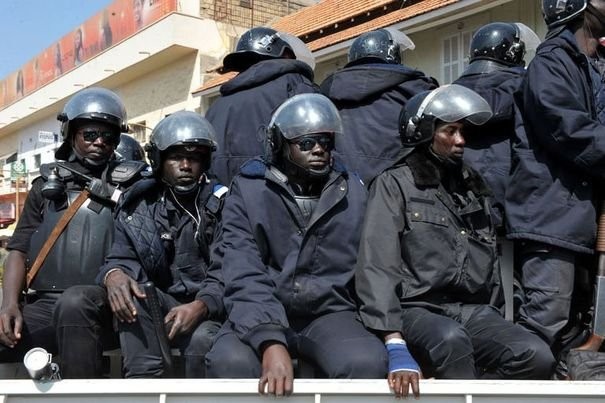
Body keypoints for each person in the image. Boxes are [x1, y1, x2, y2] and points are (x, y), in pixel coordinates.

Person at [355, 84, 555, 398]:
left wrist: (498, 313)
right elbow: (376, 263)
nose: (461, 140)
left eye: (462, 131)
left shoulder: (473, 187)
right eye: (450, 131)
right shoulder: (395, 184)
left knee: (535, 354)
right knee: (451, 340)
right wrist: (393, 339)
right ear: (422, 132)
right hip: (416, 307)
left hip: (472, 311)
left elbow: (489, 262)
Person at [205, 93, 387, 395]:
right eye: (306, 143)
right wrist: (270, 340)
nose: (318, 150)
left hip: (329, 312)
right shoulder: (249, 190)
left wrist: (393, 339)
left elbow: (372, 266)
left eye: (325, 143)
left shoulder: (353, 191)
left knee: (365, 362)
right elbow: (242, 269)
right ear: (279, 144)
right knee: (230, 362)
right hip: (259, 309)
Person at [0, 87, 146, 378]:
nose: (99, 142)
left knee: (75, 303)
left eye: (109, 136)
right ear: (71, 133)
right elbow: (19, 248)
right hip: (46, 302)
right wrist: (9, 305)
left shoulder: (132, 186)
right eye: (90, 134)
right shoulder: (45, 185)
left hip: (106, 304)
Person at [84, 110, 228, 378]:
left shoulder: (222, 206)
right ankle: (143, 386)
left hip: (208, 310)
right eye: (176, 157)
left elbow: (228, 269)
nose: (186, 165)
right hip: (157, 305)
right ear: (159, 161)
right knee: (133, 291)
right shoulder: (139, 204)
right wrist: (113, 275)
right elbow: (121, 257)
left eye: (195, 158)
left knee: (203, 342)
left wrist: (202, 305)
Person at [506, 0, 605, 366]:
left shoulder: (594, 65)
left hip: (582, 224)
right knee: (544, 331)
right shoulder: (552, 63)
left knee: (577, 337)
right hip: (553, 223)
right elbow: (569, 130)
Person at [320, 28, 438, 184]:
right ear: (394, 54)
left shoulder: (328, 91)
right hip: (397, 188)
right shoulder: (416, 89)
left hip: (343, 188)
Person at [206, 26, 319, 185]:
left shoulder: (216, 107)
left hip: (227, 205)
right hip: (284, 201)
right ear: (285, 54)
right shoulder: (296, 85)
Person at [453, 22, 539, 228]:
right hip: (518, 210)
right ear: (514, 53)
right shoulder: (530, 88)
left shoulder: (450, 96)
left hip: (459, 210)